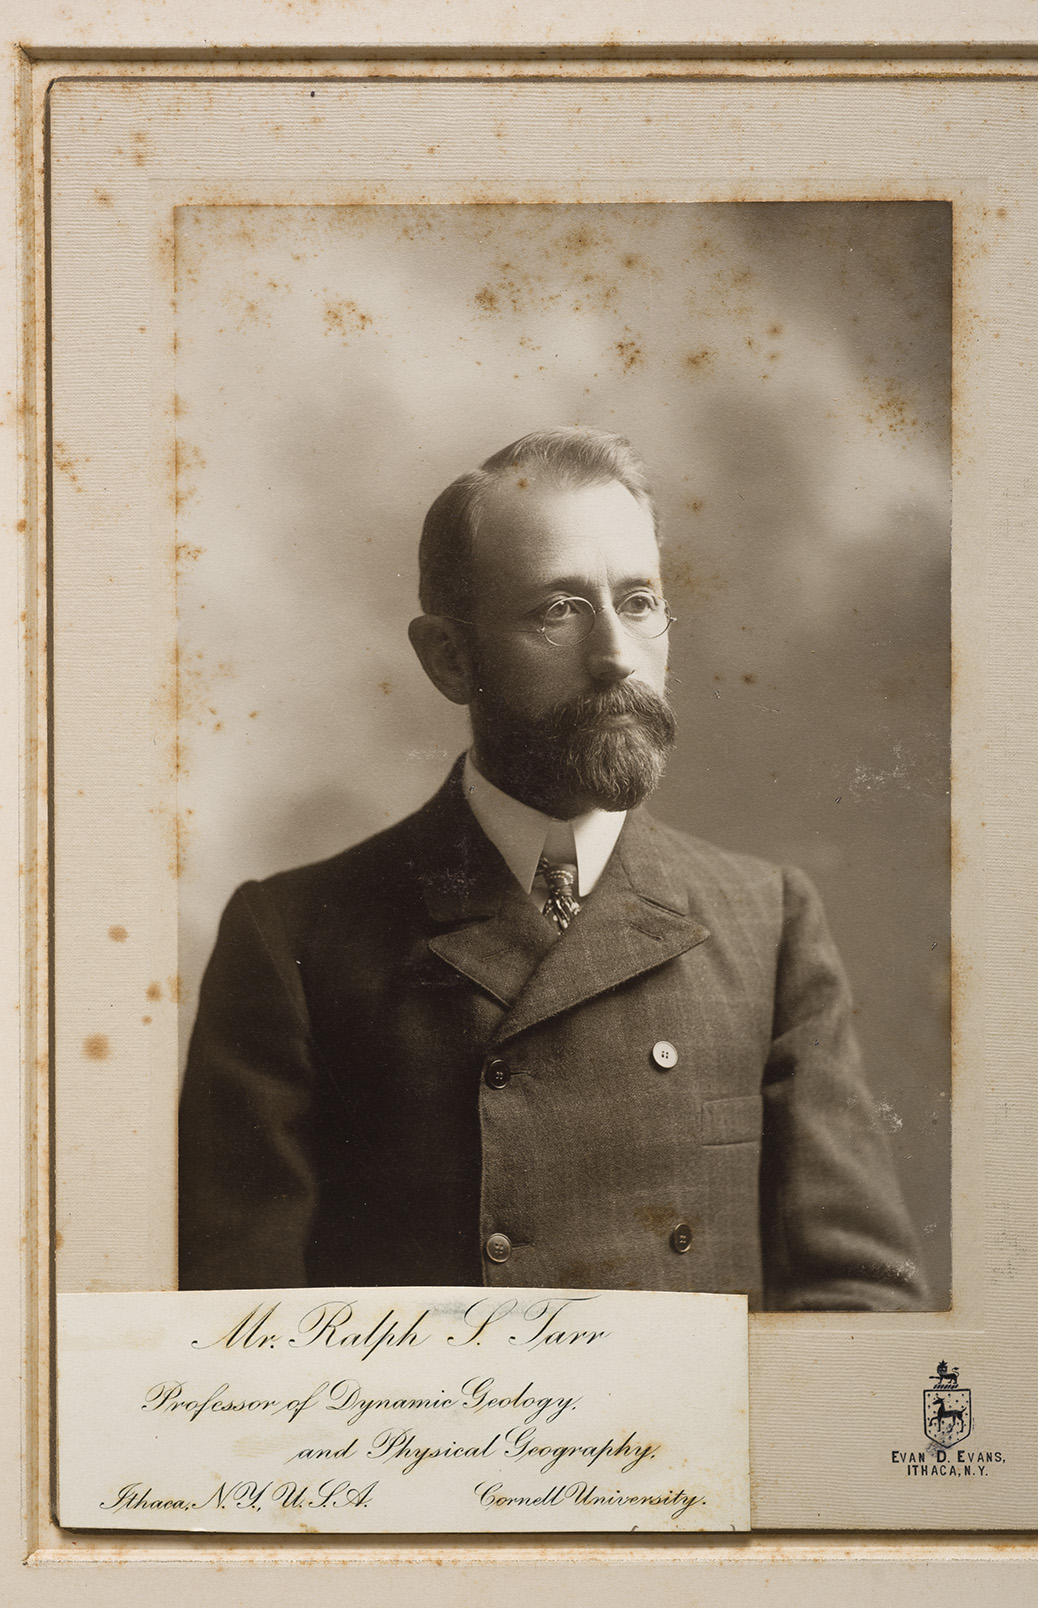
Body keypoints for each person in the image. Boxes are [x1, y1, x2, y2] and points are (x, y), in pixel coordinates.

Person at [179, 425, 928, 1310]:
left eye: (638, 602)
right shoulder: (294, 939)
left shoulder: (768, 922)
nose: (616, 656)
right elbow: (238, 1334)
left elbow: (860, 1304)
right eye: (559, 611)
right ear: (450, 658)